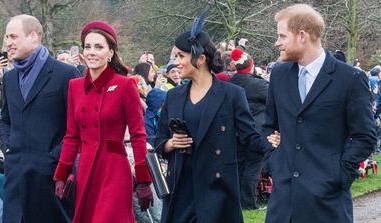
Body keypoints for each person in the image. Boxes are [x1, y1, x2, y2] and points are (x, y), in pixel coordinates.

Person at [263, 4, 376, 223]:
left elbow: (365, 136)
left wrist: (339, 174)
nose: (277, 42)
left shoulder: (349, 78)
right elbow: (268, 126)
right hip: (283, 206)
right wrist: (274, 161)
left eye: (282, 36)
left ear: (302, 36)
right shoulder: (278, 74)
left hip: (327, 205)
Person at [154, 7, 264, 223]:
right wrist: (170, 144)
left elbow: (250, 138)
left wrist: (275, 140)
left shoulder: (232, 95)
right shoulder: (173, 96)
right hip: (180, 190)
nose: (175, 62)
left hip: (218, 190)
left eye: (181, 55)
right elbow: (158, 141)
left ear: (201, 58)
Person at [53, 20, 153, 223]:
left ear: (110, 53)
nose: (91, 52)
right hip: (86, 169)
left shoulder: (125, 85)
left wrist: (143, 180)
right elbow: (72, 135)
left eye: (99, 47)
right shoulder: (75, 86)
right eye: (87, 46)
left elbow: (138, 135)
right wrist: (61, 174)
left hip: (114, 170)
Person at [0, 14, 81, 223]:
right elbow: (6, 119)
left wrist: (53, 159)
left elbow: (79, 125)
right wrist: (9, 147)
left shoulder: (66, 74)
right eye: (6, 37)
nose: (8, 43)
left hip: (52, 179)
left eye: (13, 37)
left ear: (33, 37)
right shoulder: (9, 78)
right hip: (16, 178)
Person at [228, 47, 268, 210]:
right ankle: (249, 203)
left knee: (239, 167)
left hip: (235, 132)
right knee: (253, 167)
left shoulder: (229, 83)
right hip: (255, 131)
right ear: (251, 66)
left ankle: (237, 202)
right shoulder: (258, 84)